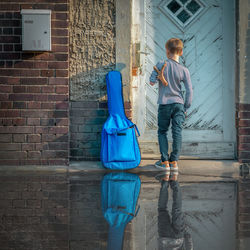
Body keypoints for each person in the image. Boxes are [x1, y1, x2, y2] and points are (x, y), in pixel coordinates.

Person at [149, 38, 193, 171]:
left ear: (167, 51)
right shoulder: (184, 70)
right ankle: (174, 161)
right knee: (177, 132)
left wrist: (157, 77)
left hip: (164, 104)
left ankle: (164, 162)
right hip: (179, 104)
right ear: (181, 52)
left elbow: (151, 82)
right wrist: (186, 107)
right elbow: (190, 91)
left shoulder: (161, 64)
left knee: (162, 131)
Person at [156, 173, 193, 250]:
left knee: (177, 209)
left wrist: (185, 233)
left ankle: (174, 180)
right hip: (165, 238)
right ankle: (165, 180)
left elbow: (189, 245)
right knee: (162, 209)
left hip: (178, 236)